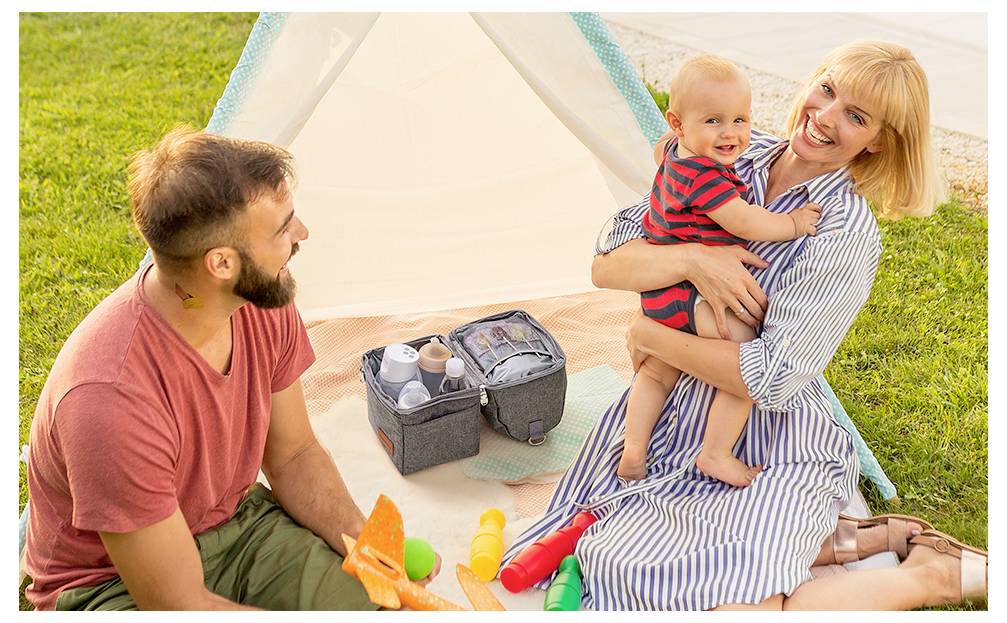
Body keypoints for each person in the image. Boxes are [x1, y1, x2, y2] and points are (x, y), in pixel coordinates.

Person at [501, 41, 987, 610]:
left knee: (721, 602)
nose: (825, 116)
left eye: (856, 116)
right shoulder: (731, 149)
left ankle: (927, 577)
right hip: (674, 412)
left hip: (764, 435)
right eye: (827, 90)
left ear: (878, 140)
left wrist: (653, 336)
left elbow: (772, 380)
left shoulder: (841, 233)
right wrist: (689, 260)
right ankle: (845, 543)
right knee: (612, 560)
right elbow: (608, 260)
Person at [23, 128, 439, 610]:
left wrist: (373, 556)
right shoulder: (109, 401)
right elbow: (179, 606)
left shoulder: (261, 297)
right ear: (221, 262)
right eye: (283, 229)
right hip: (112, 583)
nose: (301, 234)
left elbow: (294, 455)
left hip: (235, 526)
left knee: (383, 606)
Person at [618, 55, 822, 487]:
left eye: (740, 119)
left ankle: (633, 450)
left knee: (656, 371)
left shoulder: (674, 152)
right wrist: (793, 223)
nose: (730, 133)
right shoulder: (707, 176)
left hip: (660, 294)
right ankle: (715, 452)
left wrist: (692, 132)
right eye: (713, 120)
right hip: (690, 293)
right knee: (747, 357)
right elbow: (744, 220)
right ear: (678, 123)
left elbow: (659, 149)